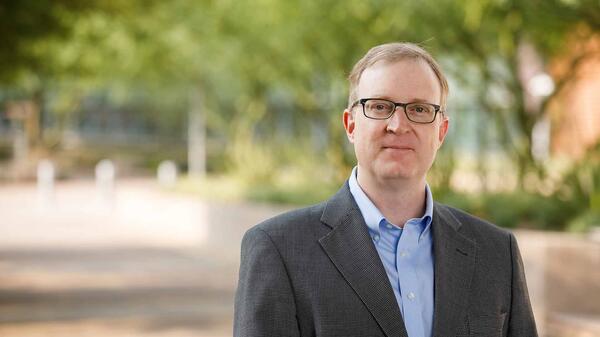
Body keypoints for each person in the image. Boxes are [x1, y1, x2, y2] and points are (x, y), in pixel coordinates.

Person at [234, 42, 538, 337]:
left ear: (441, 131)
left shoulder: (497, 254)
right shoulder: (279, 249)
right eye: (380, 106)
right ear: (351, 125)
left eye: (419, 109)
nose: (398, 124)